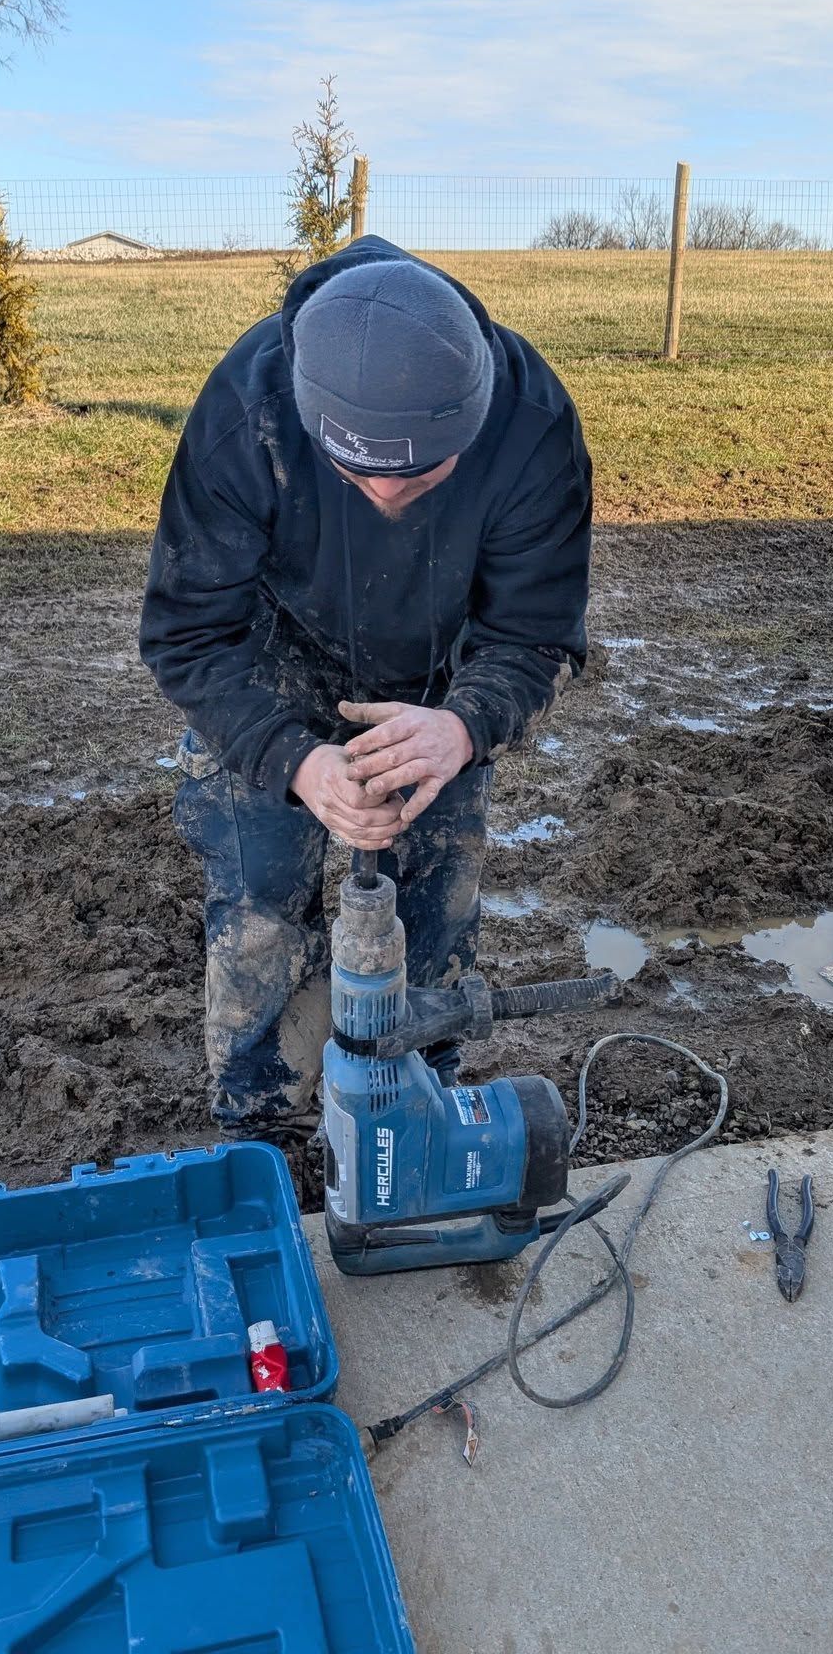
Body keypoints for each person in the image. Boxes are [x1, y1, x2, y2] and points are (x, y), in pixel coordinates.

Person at [140, 233, 592, 1139]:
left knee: (437, 899)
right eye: (358, 474)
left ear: (474, 418)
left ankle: (415, 1104)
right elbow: (187, 630)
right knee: (263, 896)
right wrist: (295, 763)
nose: (387, 498)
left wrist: (461, 728)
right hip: (270, 657)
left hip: (436, 683)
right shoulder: (246, 411)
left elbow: (532, 634)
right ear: (313, 422)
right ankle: (260, 1123)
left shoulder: (533, 426)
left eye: (421, 475)